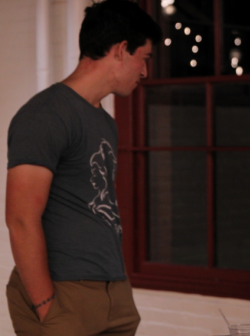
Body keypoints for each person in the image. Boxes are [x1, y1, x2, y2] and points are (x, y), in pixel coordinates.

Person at [5, 1, 161, 335]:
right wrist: (47, 307)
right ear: (121, 50)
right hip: (64, 295)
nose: (145, 72)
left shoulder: (105, 122)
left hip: (113, 292)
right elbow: (20, 219)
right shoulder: (45, 115)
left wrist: (117, 289)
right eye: (144, 59)